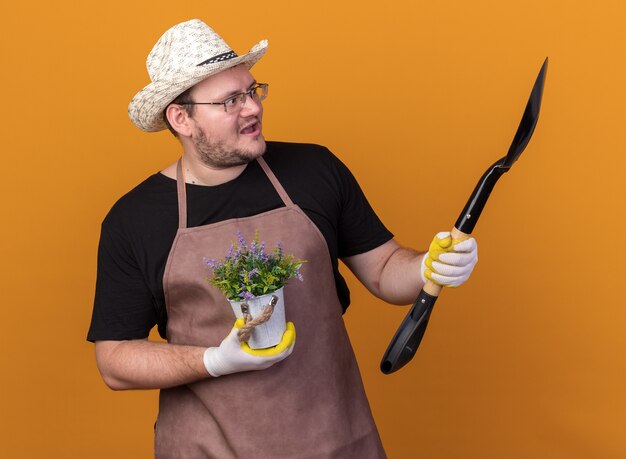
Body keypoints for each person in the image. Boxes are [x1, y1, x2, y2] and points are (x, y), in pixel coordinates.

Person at [87, 19, 479, 458]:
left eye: (252, 91)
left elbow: (387, 272)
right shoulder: (135, 219)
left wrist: (430, 266)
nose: (252, 108)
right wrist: (213, 361)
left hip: (334, 441)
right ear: (182, 118)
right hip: (207, 449)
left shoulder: (314, 170)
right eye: (230, 100)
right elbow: (116, 360)